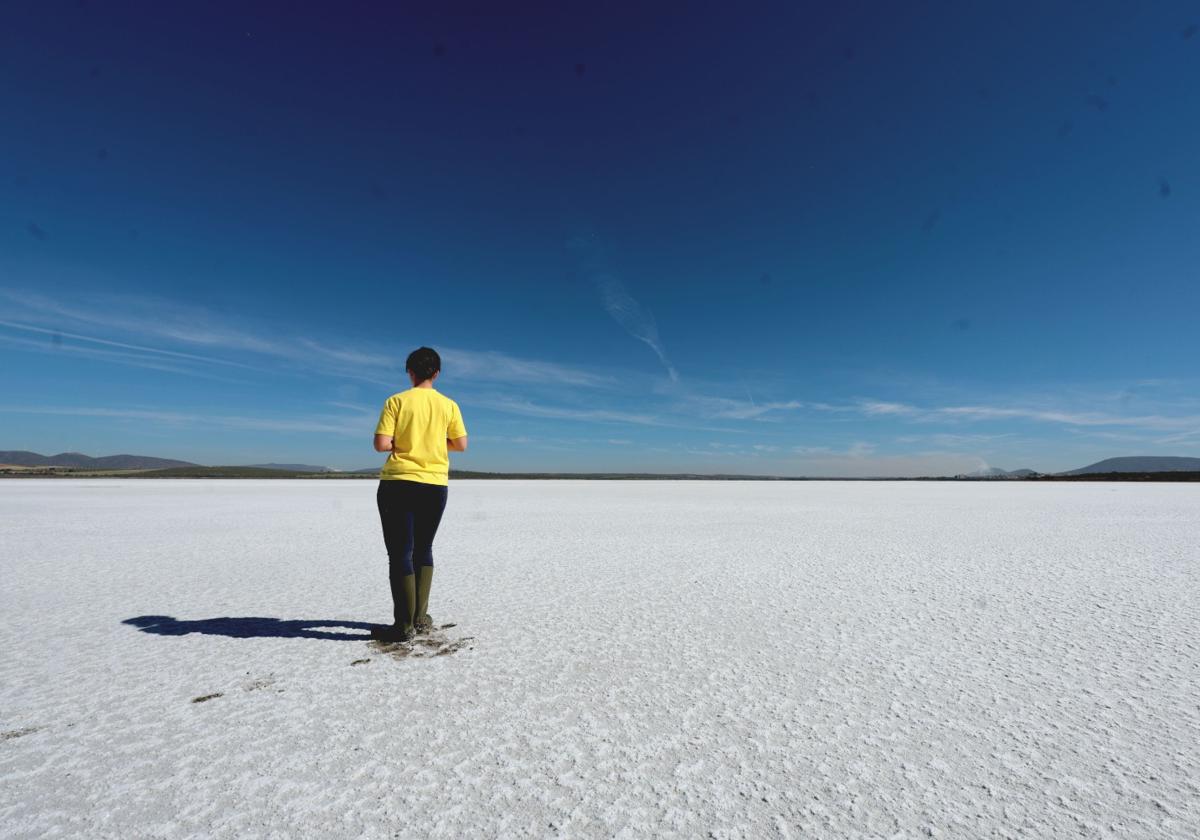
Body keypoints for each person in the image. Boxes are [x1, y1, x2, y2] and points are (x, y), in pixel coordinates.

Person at [370, 346, 468, 642]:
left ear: (410, 372)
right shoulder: (449, 405)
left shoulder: (397, 401)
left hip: (398, 483)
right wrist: (436, 445)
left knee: (400, 552)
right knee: (423, 549)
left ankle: (403, 626)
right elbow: (461, 444)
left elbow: (381, 444)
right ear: (436, 373)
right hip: (435, 485)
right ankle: (420, 618)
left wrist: (401, 445)